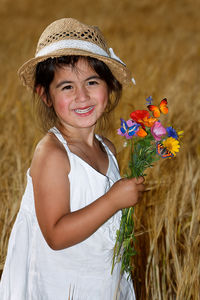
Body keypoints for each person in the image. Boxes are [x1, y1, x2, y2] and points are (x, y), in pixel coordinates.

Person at [0, 18, 145, 300]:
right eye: (67, 87)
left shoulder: (108, 149)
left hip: (101, 283)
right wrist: (114, 199)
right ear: (45, 96)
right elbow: (56, 235)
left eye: (92, 82)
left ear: (110, 86)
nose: (82, 96)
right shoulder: (52, 154)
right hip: (61, 286)